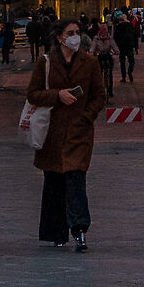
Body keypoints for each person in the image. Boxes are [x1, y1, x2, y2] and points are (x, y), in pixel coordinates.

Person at [28, 19, 106, 252]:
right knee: (53, 180)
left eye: (77, 32)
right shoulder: (46, 62)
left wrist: (86, 117)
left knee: (75, 179)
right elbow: (33, 94)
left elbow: (99, 96)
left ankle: (79, 229)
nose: (75, 37)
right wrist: (57, 95)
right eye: (70, 33)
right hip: (52, 131)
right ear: (60, 37)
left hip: (79, 132)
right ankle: (55, 231)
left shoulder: (90, 63)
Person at [91, 19, 116, 100]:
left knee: (99, 73)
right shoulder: (109, 38)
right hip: (108, 57)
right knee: (110, 73)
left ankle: (99, 90)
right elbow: (115, 48)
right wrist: (115, 52)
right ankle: (110, 90)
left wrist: (93, 53)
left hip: (100, 58)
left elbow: (92, 48)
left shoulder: (96, 38)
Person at [112, 10, 137, 83]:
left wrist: (116, 47)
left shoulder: (118, 27)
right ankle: (130, 71)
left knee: (122, 62)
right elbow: (134, 36)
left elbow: (115, 37)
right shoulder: (130, 26)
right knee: (131, 61)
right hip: (129, 46)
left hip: (122, 47)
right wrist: (136, 47)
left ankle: (123, 77)